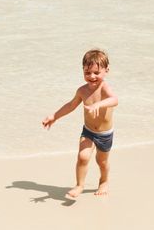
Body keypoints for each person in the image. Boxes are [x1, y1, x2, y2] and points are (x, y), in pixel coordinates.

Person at [42, 49, 118, 198]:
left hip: (104, 134)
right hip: (88, 131)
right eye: (87, 72)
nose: (92, 76)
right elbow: (70, 106)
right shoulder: (82, 91)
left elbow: (115, 100)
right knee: (83, 157)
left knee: (102, 161)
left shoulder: (104, 88)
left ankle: (104, 181)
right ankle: (79, 185)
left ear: (106, 70)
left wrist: (99, 105)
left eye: (97, 72)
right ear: (82, 71)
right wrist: (54, 116)